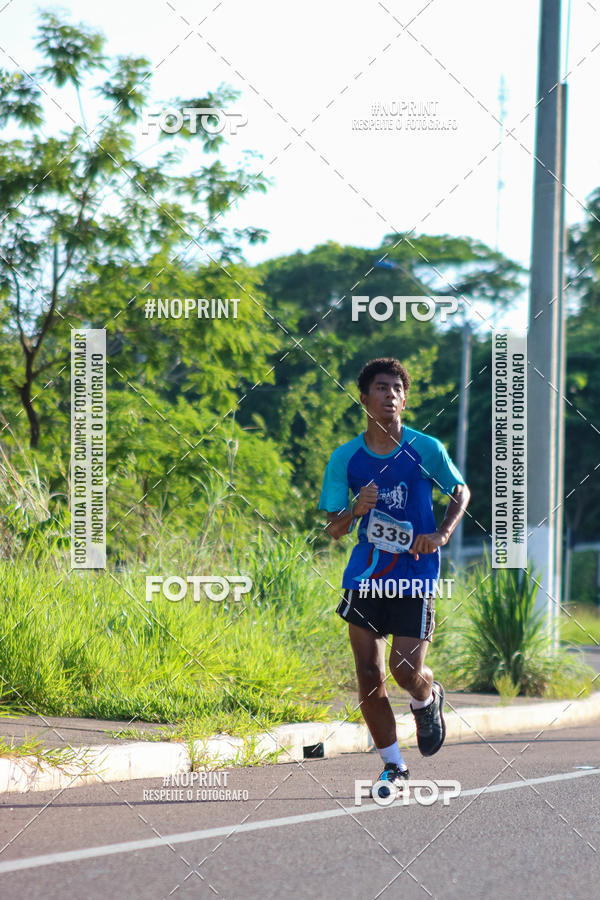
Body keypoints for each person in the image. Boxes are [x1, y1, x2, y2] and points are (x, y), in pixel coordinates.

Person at [319, 357, 470, 795]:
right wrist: (355, 510)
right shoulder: (346, 458)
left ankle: (426, 698)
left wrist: (441, 533)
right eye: (381, 388)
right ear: (364, 398)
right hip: (365, 575)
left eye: (397, 389)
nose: (390, 395)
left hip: (415, 574)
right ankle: (394, 766)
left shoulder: (425, 448)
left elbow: (460, 489)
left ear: (404, 399)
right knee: (368, 672)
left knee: (404, 669)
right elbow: (333, 528)